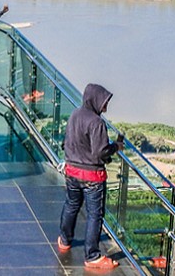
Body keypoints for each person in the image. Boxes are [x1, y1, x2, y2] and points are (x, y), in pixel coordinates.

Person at [57, 83, 120, 269]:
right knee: (94, 215)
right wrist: (116, 147)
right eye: (104, 102)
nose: (105, 106)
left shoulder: (75, 114)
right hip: (92, 177)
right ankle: (92, 256)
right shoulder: (96, 122)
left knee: (71, 205)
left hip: (72, 172)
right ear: (96, 100)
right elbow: (101, 152)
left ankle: (64, 239)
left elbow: (68, 142)